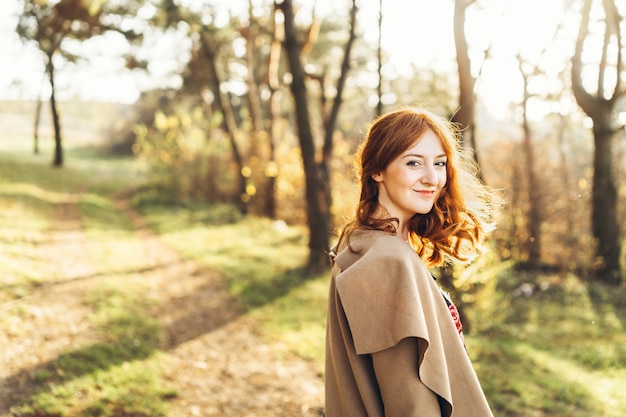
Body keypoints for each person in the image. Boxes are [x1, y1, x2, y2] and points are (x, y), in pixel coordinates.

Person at [325, 106, 501, 417]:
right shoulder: (387, 262)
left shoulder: (361, 241)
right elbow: (408, 397)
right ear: (377, 170)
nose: (432, 178)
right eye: (413, 162)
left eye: (440, 163)